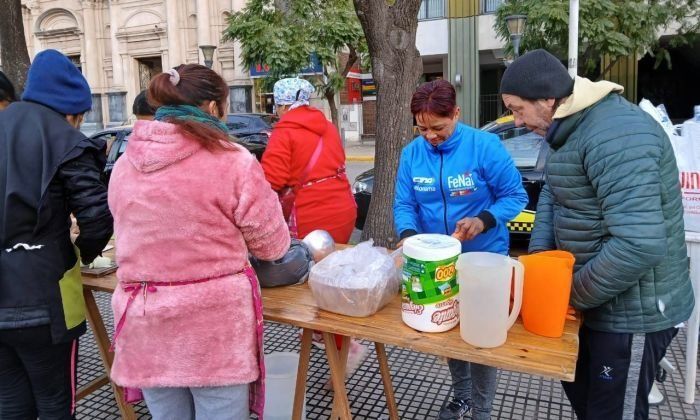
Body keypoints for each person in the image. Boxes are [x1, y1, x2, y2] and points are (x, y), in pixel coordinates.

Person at [500, 49, 695, 420]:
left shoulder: (617, 134)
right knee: (587, 398)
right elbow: (553, 201)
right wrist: (541, 270)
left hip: (633, 315)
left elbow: (639, 243)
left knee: (613, 412)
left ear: (547, 99)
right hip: (598, 303)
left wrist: (568, 294)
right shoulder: (566, 129)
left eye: (518, 109)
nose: (517, 121)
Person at [107, 64, 290, 420]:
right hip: (214, 330)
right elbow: (273, 246)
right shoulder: (233, 161)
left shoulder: (125, 165)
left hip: (146, 324)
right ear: (211, 108)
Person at [394, 79, 528, 420]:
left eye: (438, 127)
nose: (430, 136)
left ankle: (482, 410)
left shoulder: (485, 147)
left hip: (483, 259)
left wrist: (484, 219)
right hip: (437, 262)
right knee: (448, 328)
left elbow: (515, 196)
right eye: (422, 128)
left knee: (481, 338)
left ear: (456, 113)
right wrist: (409, 235)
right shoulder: (412, 154)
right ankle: (463, 396)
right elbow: (405, 204)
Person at [0, 49, 113, 419]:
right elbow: (97, 217)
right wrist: (81, 252)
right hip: (45, 300)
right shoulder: (66, 140)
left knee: (11, 402)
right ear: (72, 110)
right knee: (54, 402)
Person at [261, 77, 364, 373]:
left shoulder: (284, 133)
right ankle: (338, 350)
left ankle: (345, 347)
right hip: (343, 209)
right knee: (331, 281)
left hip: (312, 217)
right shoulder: (327, 127)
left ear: (282, 104)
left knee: (314, 291)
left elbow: (272, 181)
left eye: (276, 105)